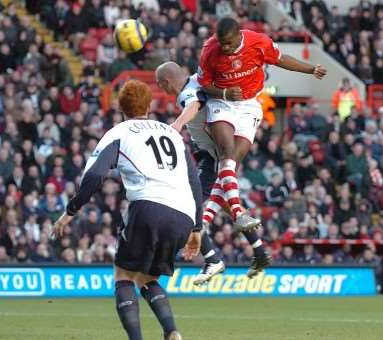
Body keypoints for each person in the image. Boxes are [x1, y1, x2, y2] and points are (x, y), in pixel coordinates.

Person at [52, 80, 202, 340]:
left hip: (148, 206)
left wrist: (70, 211)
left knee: (123, 275)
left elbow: (95, 176)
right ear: (149, 105)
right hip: (184, 215)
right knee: (147, 278)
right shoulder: (172, 134)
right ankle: (172, 332)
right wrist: (197, 228)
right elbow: (195, 181)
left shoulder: (119, 132)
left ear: (121, 106)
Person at [197, 17, 326, 235]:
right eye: (222, 43)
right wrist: (224, 93)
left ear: (239, 34)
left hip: (249, 105)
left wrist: (311, 69)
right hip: (222, 103)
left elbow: (281, 59)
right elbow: (204, 83)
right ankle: (238, 213)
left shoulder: (258, 42)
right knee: (226, 156)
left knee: (229, 168)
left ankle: (204, 220)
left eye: (228, 42)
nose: (225, 48)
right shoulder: (210, 50)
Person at [156, 61, 269, 282]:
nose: (162, 91)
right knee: (224, 203)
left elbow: (194, 105)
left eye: (161, 86)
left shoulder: (187, 93)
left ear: (166, 82)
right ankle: (260, 251)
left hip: (213, 156)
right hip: (211, 153)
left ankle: (212, 260)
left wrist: (177, 125)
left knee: (187, 205)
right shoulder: (197, 81)